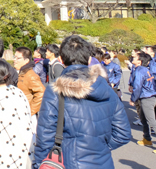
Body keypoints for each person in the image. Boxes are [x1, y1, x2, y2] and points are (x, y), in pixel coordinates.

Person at [34, 35, 131, 169]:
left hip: (68, 161)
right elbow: (123, 133)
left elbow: (45, 137)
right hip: (103, 162)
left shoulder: (55, 89)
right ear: (89, 59)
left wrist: (38, 164)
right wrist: (100, 147)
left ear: (61, 59)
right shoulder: (106, 87)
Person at [130, 52, 156, 154]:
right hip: (147, 97)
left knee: (152, 121)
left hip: (147, 99)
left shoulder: (140, 71)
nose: (132, 57)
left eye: (135, 57)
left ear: (140, 61)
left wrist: (133, 99)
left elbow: (138, 87)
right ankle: (147, 139)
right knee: (143, 119)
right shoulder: (143, 70)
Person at [14, 47, 45, 119]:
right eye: (14, 57)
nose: (14, 60)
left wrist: (30, 112)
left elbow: (41, 93)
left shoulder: (30, 75)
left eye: (18, 58)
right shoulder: (21, 73)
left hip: (26, 116)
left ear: (26, 60)